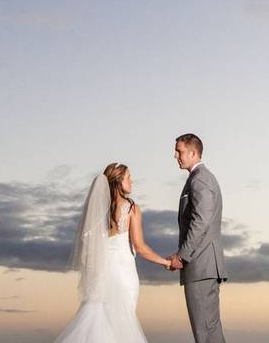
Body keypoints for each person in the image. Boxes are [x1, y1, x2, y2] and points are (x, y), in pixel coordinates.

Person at [54, 162, 171, 342]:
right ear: (118, 181)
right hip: (124, 275)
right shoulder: (130, 207)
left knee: (98, 319)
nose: (132, 182)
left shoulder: (98, 213)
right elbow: (140, 247)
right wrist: (166, 262)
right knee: (122, 323)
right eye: (128, 178)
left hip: (101, 275)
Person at [167, 133, 227, 343]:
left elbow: (200, 221)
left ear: (193, 153)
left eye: (179, 151)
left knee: (205, 334)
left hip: (201, 265)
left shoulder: (200, 179)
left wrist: (182, 256)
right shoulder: (198, 178)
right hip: (202, 265)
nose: (176, 155)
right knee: (208, 331)